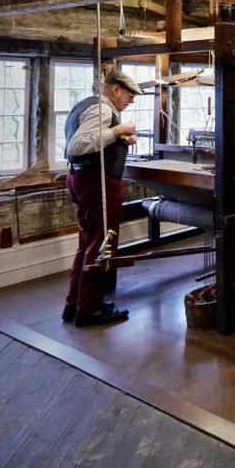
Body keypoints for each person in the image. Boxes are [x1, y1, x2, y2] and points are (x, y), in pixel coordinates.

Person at [62, 69, 141, 326]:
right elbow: (77, 146)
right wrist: (117, 128)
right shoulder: (103, 109)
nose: (131, 101)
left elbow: (89, 141)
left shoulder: (84, 105)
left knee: (87, 242)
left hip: (81, 178)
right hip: (97, 180)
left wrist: (119, 139)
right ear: (115, 89)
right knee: (102, 244)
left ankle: (74, 305)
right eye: (129, 95)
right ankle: (89, 309)